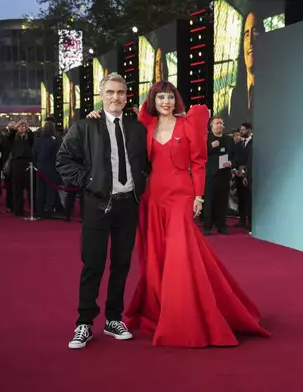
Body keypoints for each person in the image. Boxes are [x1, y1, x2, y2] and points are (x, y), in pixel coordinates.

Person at [86, 81, 270, 348]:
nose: (166, 101)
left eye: (170, 97)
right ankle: (160, 309)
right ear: (154, 100)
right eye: (161, 97)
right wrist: (96, 113)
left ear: (176, 100)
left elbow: (199, 162)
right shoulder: (144, 127)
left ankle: (185, 315)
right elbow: (117, 130)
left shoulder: (187, 124)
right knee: (157, 255)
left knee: (180, 254)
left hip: (181, 197)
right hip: (152, 197)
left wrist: (198, 196)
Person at [57, 73, 148, 349]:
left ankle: (113, 319)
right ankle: (84, 323)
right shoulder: (86, 126)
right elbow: (63, 160)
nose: (116, 97)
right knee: (93, 265)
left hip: (128, 205)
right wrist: (89, 180)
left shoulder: (137, 128)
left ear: (126, 95)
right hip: (97, 205)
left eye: (120, 92)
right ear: (101, 94)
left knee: (121, 265)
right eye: (110, 92)